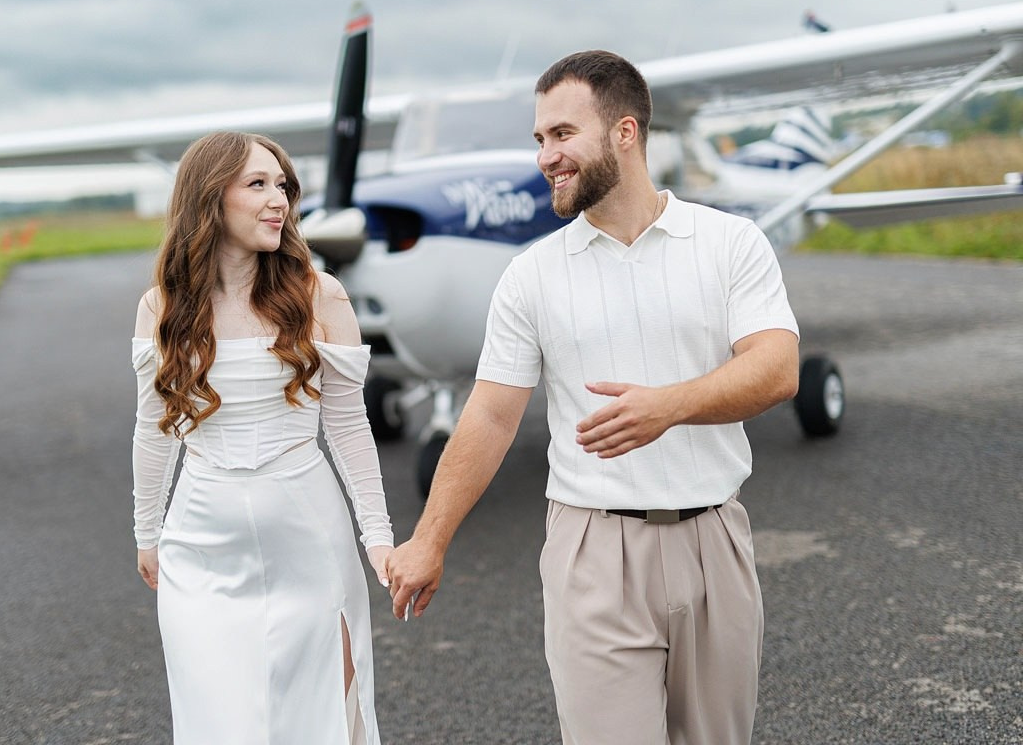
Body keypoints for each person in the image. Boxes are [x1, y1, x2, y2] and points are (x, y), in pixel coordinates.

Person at [384, 51, 800, 744]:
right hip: (592, 549)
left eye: (562, 135)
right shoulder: (531, 276)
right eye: (540, 139)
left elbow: (777, 368)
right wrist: (429, 539)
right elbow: (489, 414)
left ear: (625, 133)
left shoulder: (730, 242)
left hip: (715, 540)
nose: (546, 156)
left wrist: (669, 405)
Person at [130, 131, 393, 745]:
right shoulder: (161, 307)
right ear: (209, 199)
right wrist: (147, 531)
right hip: (199, 546)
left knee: (325, 710)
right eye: (258, 185)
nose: (279, 200)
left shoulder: (319, 295)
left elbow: (349, 425)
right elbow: (153, 427)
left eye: (283, 186)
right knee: (222, 722)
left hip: (309, 537)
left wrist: (377, 538)